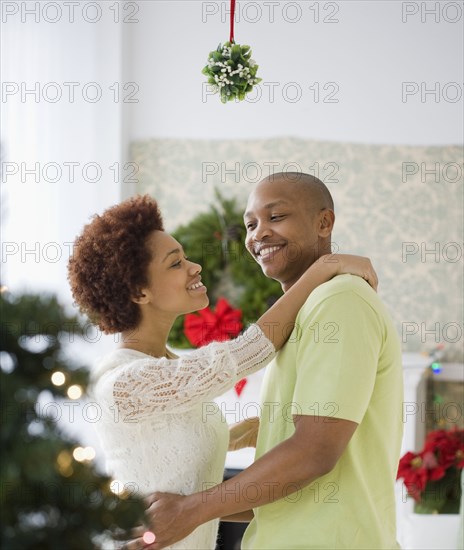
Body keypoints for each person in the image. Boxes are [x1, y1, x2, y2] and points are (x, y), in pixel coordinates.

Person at [67, 194, 378, 550]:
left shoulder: (165, 367)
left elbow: (183, 484)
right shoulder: (125, 382)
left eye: (185, 257)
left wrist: (235, 438)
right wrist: (324, 268)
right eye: (175, 264)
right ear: (140, 292)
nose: (195, 266)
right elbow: (247, 353)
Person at [131, 173, 404, 550]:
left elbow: (314, 451)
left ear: (324, 222)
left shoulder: (338, 301)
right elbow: (286, 492)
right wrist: (182, 508)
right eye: (250, 224)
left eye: (275, 217)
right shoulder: (303, 316)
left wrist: (192, 508)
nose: (258, 234)